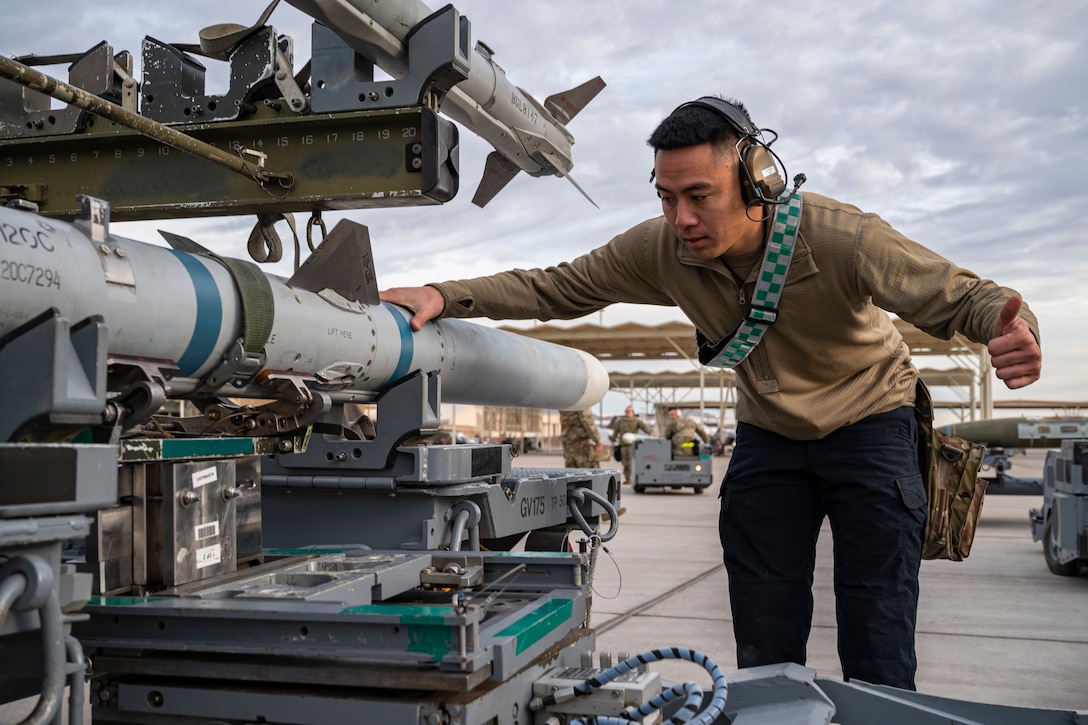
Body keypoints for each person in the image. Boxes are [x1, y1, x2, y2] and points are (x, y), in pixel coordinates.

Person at [380, 95, 1042, 690]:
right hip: (771, 435)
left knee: (878, 622)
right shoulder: (663, 249)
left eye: (699, 195)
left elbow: (971, 297)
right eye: (666, 198)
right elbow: (558, 285)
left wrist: (1011, 330)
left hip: (869, 420)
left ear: (760, 181)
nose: (681, 217)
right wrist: (446, 294)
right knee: (764, 623)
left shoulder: (844, 239)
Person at [610, 406, 653, 484]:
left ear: (633, 412)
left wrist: (650, 433)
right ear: (625, 412)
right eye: (627, 411)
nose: (629, 412)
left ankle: (634, 478)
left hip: (632, 445)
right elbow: (615, 431)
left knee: (631, 462)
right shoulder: (620, 421)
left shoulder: (637, 421)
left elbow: (644, 427)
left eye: (630, 411)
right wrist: (613, 441)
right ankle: (627, 478)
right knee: (625, 463)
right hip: (623, 446)